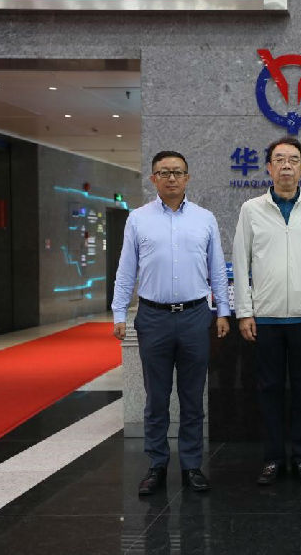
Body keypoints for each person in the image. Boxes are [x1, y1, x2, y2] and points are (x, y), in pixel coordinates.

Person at [112, 150, 230, 496]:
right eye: (164, 173)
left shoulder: (205, 219)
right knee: (156, 398)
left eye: (177, 172)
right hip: (153, 317)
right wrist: (119, 312)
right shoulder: (138, 219)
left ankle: (192, 465)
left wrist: (223, 310)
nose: (172, 178)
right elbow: (126, 270)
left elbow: (217, 268)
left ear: (187, 178)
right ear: (153, 179)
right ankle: (157, 466)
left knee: (192, 398)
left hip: (195, 315)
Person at [232, 136, 301, 486]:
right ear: (269, 167)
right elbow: (240, 261)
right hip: (265, 318)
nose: (286, 166)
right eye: (279, 159)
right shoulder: (251, 209)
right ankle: (273, 458)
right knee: (269, 391)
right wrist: (244, 312)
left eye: (293, 160)